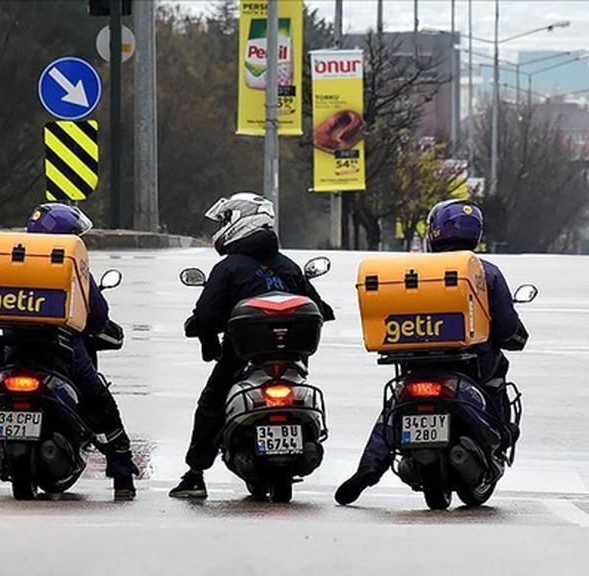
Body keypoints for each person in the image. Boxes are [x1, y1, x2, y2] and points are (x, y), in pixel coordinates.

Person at [335, 199, 529, 505]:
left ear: (435, 231)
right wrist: (516, 335)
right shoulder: (485, 272)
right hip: (474, 367)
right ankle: (501, 435)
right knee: (497, 385)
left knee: (394, 407)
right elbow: (506, 327)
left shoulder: (414, 270)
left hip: (417, 365)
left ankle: (368, 469)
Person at [169, 193, 335, 499]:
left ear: (242, 222)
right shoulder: (288, 267)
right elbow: (321, 309)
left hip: (241, 359)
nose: (223, 225)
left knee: (211, 404)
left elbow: (205, 316)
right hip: (293, 363)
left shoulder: (229, 268)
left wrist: (207, 343)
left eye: (226, 219)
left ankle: (195, 474)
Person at [25, 203, 139, 501]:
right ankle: (122, 475)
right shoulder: (72, 270)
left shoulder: (14, 263)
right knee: (102, 405)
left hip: (15, 353)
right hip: (64, 357)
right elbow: (98, 316)